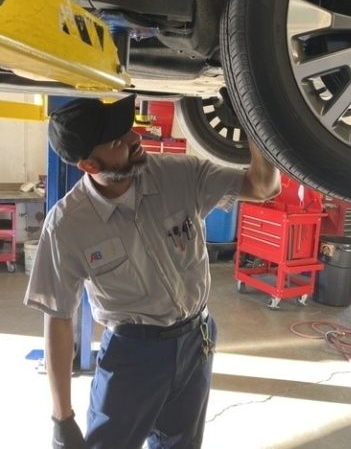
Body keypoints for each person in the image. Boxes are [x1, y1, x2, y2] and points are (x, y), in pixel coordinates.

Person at [24, 94, 280, 449]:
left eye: (128, 130)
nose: (134, 139)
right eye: (117, 141)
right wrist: (61, 418)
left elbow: (263, 187)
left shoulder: (180, 175)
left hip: (197, 340)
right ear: (88, 166)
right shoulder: (67, 225)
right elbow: (58, 318)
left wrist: (256, 122)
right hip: (132, 356)